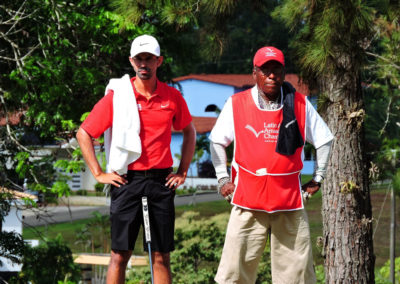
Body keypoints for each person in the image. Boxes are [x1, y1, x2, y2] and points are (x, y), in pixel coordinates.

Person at [76, 34, 196, 284]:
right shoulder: (118, 97)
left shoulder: (172, 97)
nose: (144, 64)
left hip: (161, 182)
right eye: (139, 59)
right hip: (126, 182)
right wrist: (99, 174)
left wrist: (183, 171)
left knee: (161, 256)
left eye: (149, 59)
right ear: (131, 61)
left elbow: (189, 131)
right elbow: (84, 133)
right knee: (119, 255)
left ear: (158, 61)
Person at [210, 46, 334, 284]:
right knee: (234, 273)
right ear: (254, 73)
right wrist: (223, 179)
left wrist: (318, 178)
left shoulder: (299, 104)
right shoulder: (237, 103)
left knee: (296, 276)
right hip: (247, 199)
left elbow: (325, 139)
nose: (271, 75)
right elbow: (217, 141)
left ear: (283, 72)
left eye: (276, 70)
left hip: (288, 201)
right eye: (265, 70)